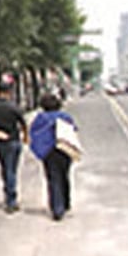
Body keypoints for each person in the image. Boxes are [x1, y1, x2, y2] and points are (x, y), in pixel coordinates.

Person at [29, 92, 76, 221]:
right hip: (64, 149)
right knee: (64, 175)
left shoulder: (40, 118)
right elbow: (73, 130)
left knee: (53, 178)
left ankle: (57, 208)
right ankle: (66, 203)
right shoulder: (65, 116)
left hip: (48, 151)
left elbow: (33, 134)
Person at [0, 80, 29, 213]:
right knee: (11, 170)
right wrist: (26, 137)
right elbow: (23, 123)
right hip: (13, 140)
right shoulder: (14, 107)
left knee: (4, 168)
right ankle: (11, 200)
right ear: (9, 92)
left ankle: (7, 193)